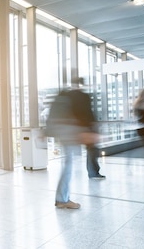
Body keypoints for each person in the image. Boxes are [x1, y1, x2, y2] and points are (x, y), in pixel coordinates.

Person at [47, 77, 101, 209]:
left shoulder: (65, 94)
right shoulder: (82, 96)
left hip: (65, 133)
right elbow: (86, 115)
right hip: (71, 133)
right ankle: (62, 199)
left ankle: (62, 198)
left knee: (68, 164)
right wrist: (91, 131)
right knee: (68, 166)